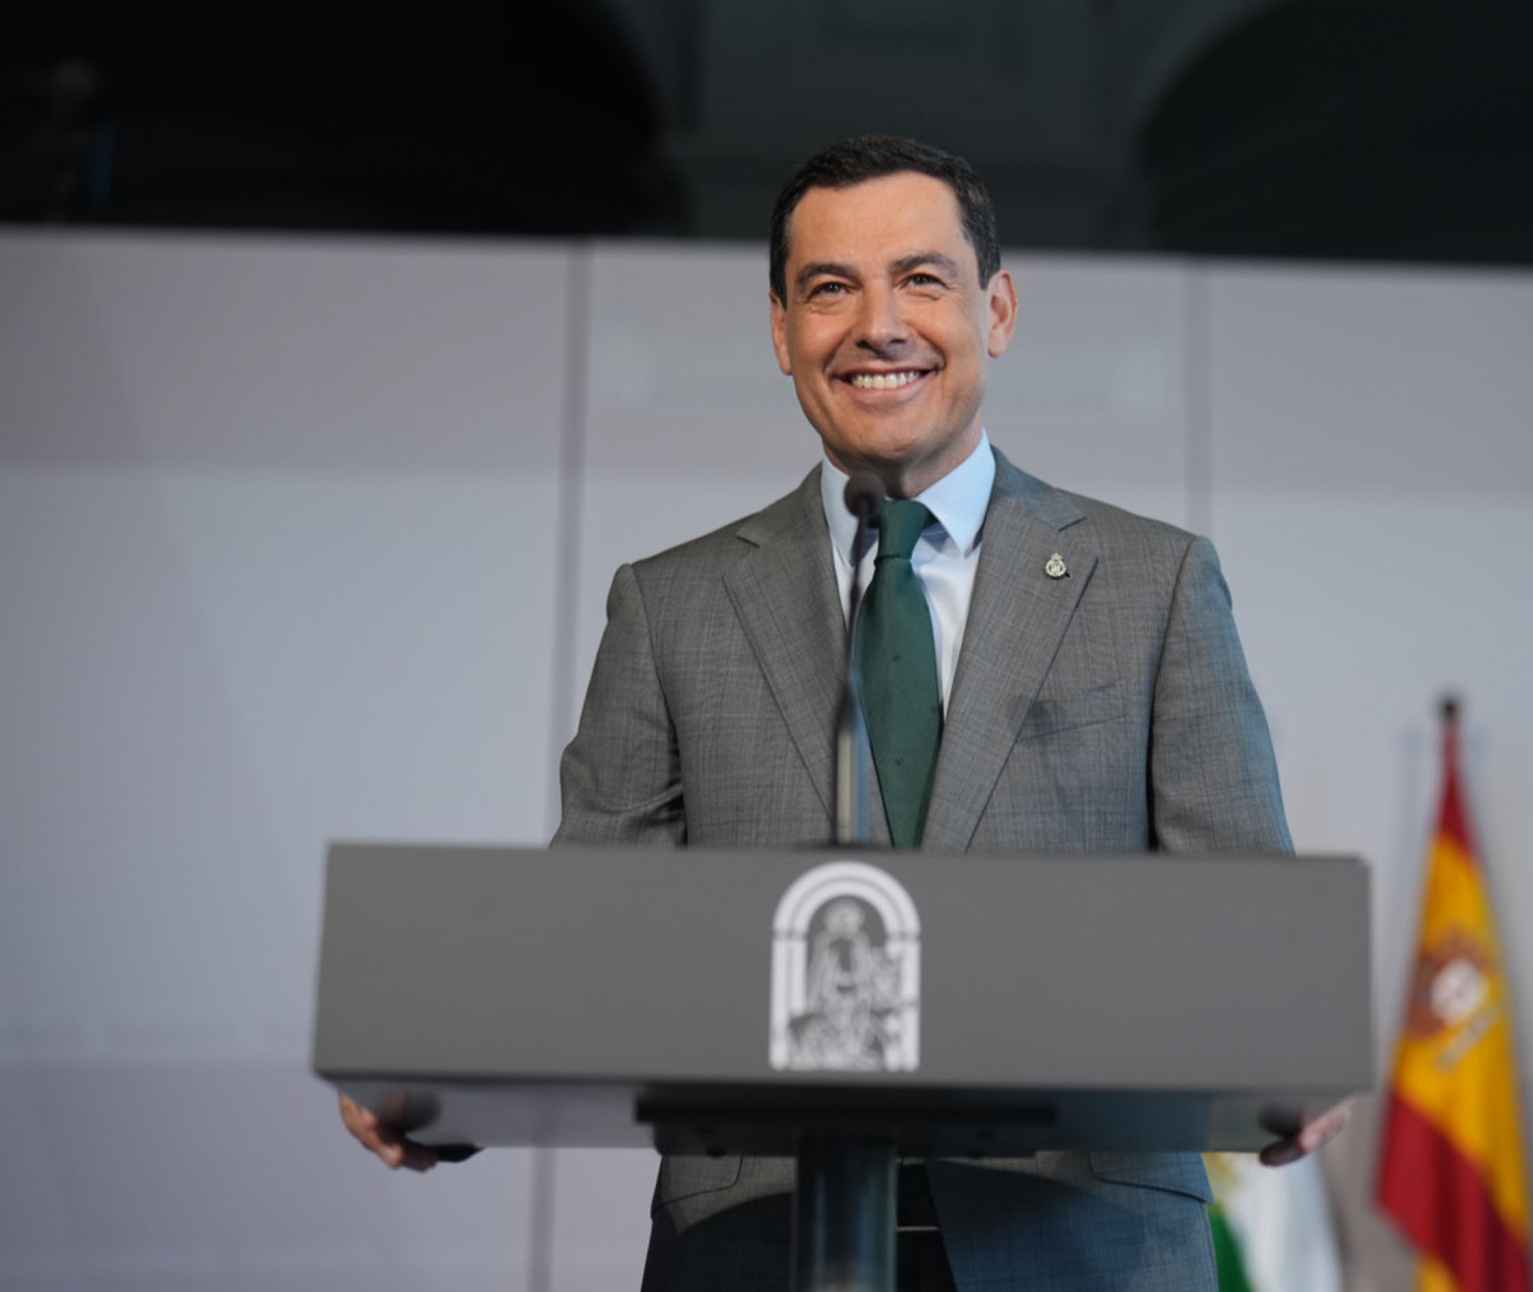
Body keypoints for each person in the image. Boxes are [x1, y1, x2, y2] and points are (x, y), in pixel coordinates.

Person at [339, 134, 1349, 1291]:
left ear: (999, 309)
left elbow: (1245, 917)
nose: (879, 324)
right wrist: (439, 1082)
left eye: (923, 279)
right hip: (757, 1249)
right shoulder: (672, 606)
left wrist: (1291, 1052)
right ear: (781, 331)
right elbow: (586, 943)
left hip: (1078, 1249)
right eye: (831, 288)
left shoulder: (1154, 584)